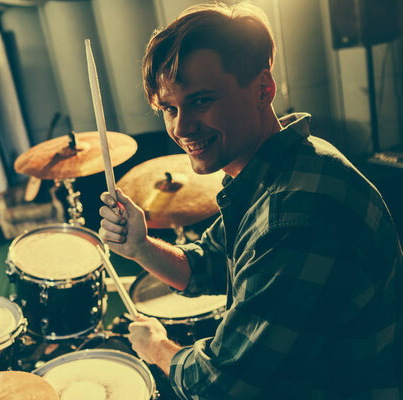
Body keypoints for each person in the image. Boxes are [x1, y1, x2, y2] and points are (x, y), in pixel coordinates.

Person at [99, 2, 403, 399]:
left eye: (201, 101)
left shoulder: (295, 214)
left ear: (264, 89)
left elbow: (221, 387)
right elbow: (208, 263)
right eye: (169, 109)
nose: (181, 127)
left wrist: (156, 346)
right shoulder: (282, 165)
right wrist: (139, 247)